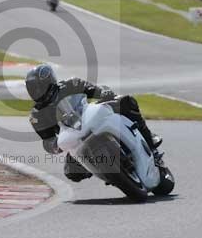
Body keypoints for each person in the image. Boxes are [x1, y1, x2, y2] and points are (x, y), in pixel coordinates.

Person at [26, 64, 162, 182]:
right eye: (32, 88)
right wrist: (54, 146)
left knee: (127, 101)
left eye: (38, 87)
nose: (36, 91)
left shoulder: (70, 84)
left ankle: (150, 140)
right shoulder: (36, 115)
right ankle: (104, 170)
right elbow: (47, 140)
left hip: (90, 115)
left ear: (49, 81)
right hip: (74, 138)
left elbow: (93, 90)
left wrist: (104, 92)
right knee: (72, 173)